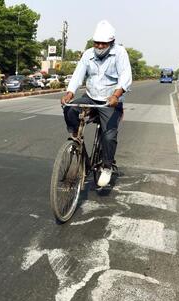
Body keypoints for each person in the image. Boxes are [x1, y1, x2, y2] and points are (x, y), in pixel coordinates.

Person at [60, 20, 132, 187]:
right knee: (69, 109)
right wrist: (70, 92)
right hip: (91, 96)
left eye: (103, 43)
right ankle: (77, 142)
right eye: (97, 43)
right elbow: (78, 74)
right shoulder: (88, 54)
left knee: (109, 135)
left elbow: (125, 76)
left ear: (111, 42)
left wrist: (116, 95)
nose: (100, 46)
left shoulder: (120, 53)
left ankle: (107, 166)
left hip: (110, 100)